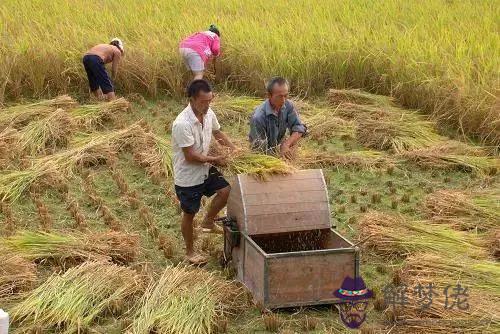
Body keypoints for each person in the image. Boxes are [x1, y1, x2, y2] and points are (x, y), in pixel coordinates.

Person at [172, 79, 236, 264]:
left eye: (209, 101)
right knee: (190, 214)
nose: (207, 105)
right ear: (192, 99)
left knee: (226, 191)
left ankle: (208, 221)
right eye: (203, 101)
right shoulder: (182, 123)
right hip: (189, 176)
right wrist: (217, 159)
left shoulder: (208, 114)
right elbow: (191, 156)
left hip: (206, 169)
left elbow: (218, 133)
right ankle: (190, 252)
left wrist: (233, 149)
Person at [249, 77, 306, 158]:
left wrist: (286, 144)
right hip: (263, 154)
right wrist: (278, 159)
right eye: (279, 96)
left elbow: (299, 127)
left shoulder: (288, 105)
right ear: (269, 95)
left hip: (279, 147)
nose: (283, 100)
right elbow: (260, 151)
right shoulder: (258, 118)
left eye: (285, 96)